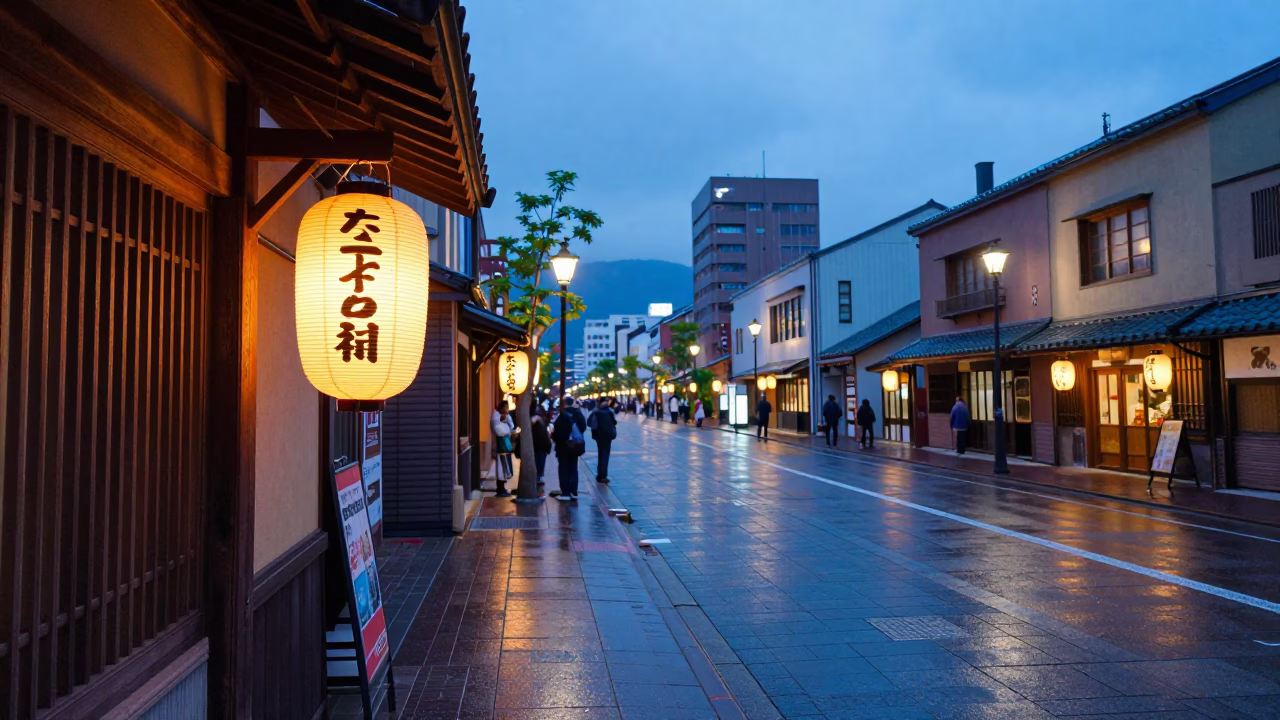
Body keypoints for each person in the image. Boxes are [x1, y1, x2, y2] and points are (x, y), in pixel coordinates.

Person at [552, 396, 587, 501]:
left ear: (564, 404)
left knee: (563, 468)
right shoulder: (578, 413)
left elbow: (558, 431)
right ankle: (574, 491)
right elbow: (583, 427)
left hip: (563, 446)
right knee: (573, 468)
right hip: (575, 446)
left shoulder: (562, 416)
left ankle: (565, 492)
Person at [588, 397, 618, 483]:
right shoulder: (610, 411)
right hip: (608, 436)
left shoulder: (596, 411)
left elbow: (590, 423)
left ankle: (600, 475)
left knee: (601, 454)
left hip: (599, 436)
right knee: (605, 455)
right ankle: (603, 476)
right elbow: (614, 422)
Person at [491, 401, 516, 497]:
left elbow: (512, 426)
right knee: (501, 468)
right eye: (505, 407)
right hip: (501, 445)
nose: (507, 409)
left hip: (505, 445)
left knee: (505, 468)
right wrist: (506, 427)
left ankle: (502, 488)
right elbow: (498, 431)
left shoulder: (504, 416)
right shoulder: (496, 416)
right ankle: (500, 489)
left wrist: (507, 417)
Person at [531, 406, 552, 486]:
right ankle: (540, 477)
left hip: (539, 444)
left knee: (539, 461)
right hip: (541, 444)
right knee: (540, 462)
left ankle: (539, 477)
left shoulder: (542, 421)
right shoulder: (544, 421)